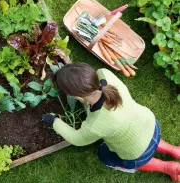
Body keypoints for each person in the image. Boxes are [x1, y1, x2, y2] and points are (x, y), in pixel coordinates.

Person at [42, 62, 180, 182]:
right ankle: (174, 150)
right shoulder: (105, 75)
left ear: (76, 96)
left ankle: (167, 167)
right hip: (150, 125)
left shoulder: (96, 124)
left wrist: (54, 121)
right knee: (141, 136)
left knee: (104, 155)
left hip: (136, 153)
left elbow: (77, 139)